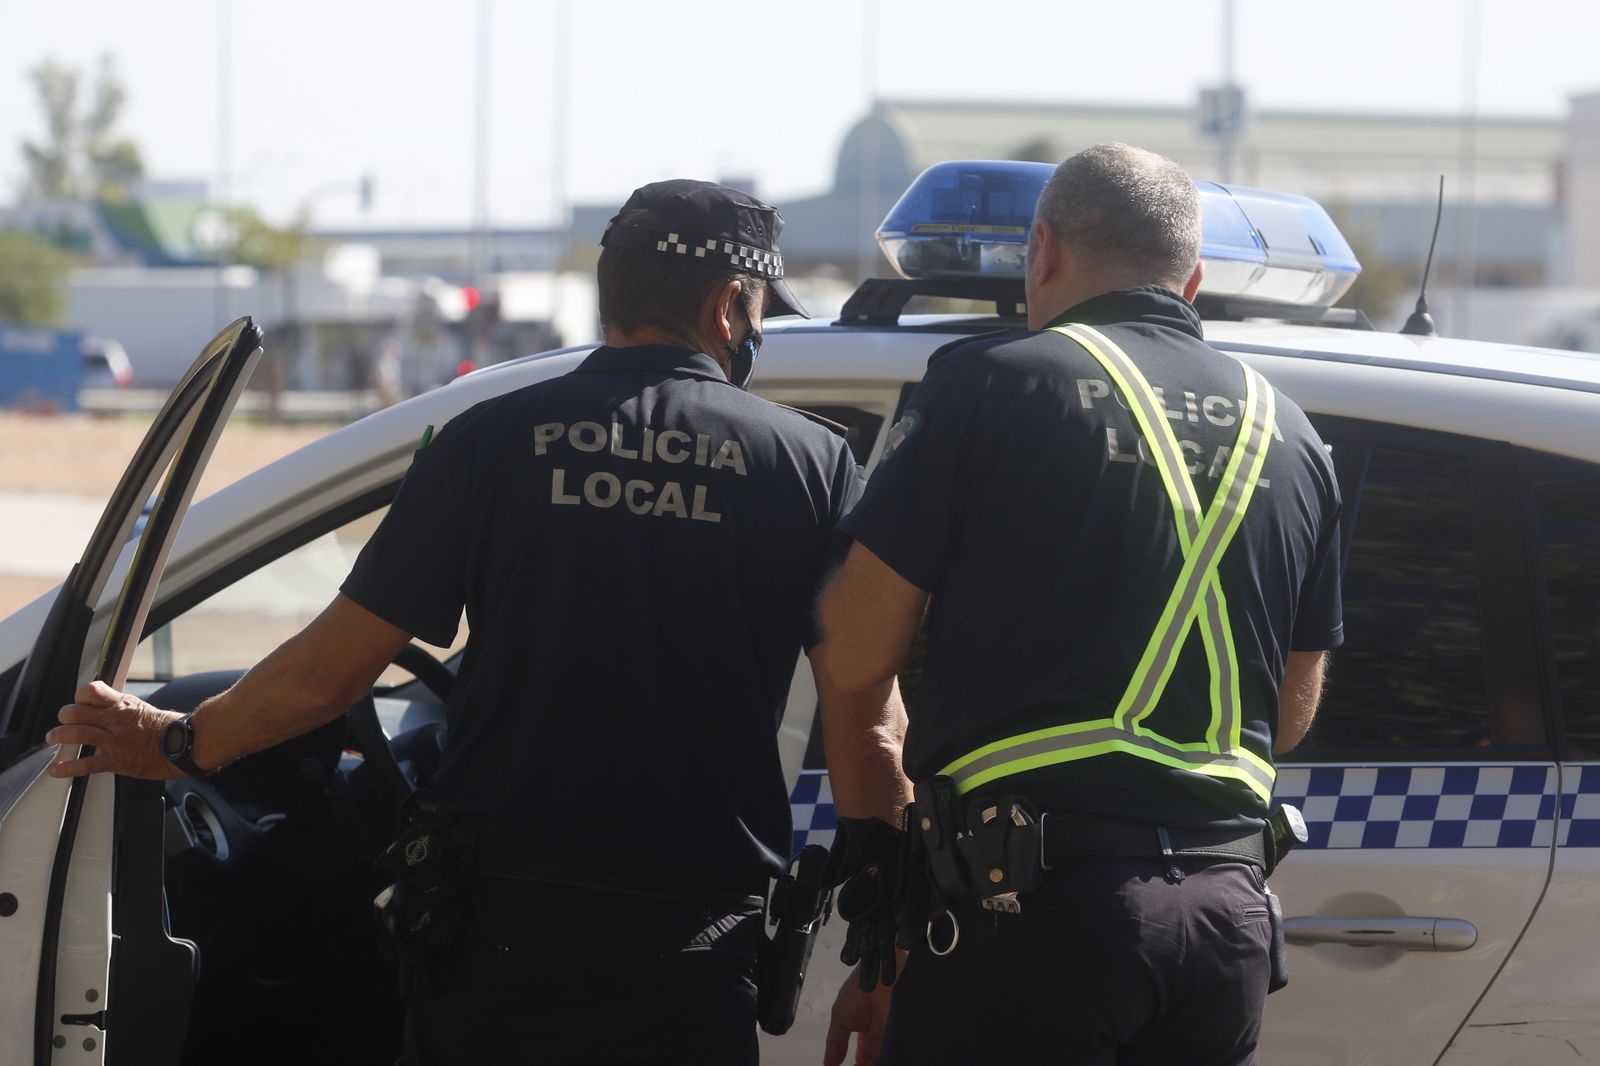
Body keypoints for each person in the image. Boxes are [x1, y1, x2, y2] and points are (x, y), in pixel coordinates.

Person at [46, 179, 899, 1066]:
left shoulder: (486, 440)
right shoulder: (813, 466)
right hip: (689, 958)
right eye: (759, 312)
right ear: (730, 306)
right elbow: (866, 717)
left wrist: (180, 743)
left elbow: (329, 674)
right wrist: (881, 947)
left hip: (497, 950)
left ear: (611, 293)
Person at [812, 144, 1344, 1065]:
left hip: (1036, 919)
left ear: (1043, 251)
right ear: (1195, 277)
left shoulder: (993, 383)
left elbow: (853, 653)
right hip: (1223, 924)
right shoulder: (1292, 434)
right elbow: (1288, 717)